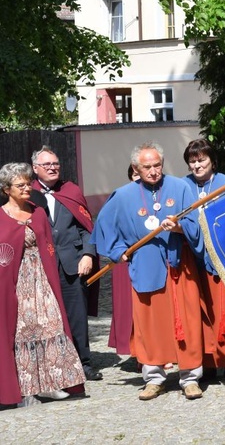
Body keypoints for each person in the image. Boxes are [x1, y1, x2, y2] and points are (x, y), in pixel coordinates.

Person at [92, 142, 205, 401]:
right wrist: (118, 250)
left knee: (186, 321)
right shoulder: (123, 195)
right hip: (145, 265)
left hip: (179, 265)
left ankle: (189, 378)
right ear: (136, 168)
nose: (154, 171)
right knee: (150, 324)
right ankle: (154, 378)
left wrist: (177, 228)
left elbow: (196, 224)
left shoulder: (180, 187)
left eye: (157, 165)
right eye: (147, 167)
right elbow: (104, 226)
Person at [0, 163, 86, 408]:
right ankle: (27, 388)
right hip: (17, 285)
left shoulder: (38, 213)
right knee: (23, 331)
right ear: (7, 189)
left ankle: (53, 383)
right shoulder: (1, 218)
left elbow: (48, 246)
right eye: (21, 185)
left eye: (28, 183)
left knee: (52, 325)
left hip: (43, 281)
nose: (28, 188)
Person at [30, 146, 102, 381]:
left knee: (77, 315)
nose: (52, 168)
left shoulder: (71, 190)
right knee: (46, 316)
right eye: (47, 165)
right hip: (41, 266)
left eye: (56, 164)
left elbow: (86, 228)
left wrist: (88, 254)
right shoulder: (27, 194)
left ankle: (84, 362)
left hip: (73, 263)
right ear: (35, 169)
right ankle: (51, 364)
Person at [182, 138, 225, 379]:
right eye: (192, 161)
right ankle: (207, 362)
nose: (197, 165)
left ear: (212, 160)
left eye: (201, 160)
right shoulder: (182, 187)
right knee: (200, 312)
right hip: (192, 256)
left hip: (223, 256)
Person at [108, 165, 138, 356]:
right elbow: (109, 227)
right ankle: (134, 349)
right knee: (130, 306)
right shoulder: (120, 197)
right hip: (127, 258)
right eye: (135, 174)